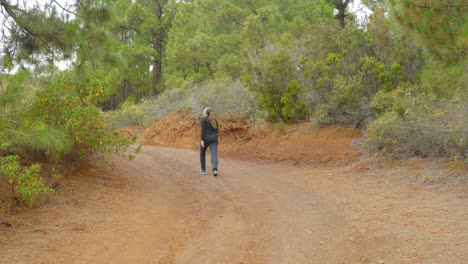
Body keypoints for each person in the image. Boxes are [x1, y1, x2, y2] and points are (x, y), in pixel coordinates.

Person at [200, 107, 219, 176]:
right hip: (214, 139)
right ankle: (215, 170)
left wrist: (202, 140)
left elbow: (203, 131)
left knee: (202, 153)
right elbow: (217, 130)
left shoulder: (203, 120)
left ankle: (203, 170)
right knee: (214, 154)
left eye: (204, 110)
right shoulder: (215, 120)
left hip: (206, 139)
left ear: (206, 112)